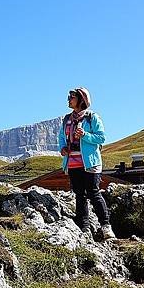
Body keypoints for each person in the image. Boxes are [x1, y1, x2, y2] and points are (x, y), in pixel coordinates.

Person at [58, 87, 116, 240]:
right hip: (72, 163)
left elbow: (101, 138)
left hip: (90, 163)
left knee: (93, 193)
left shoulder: (92, 117)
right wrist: (62, 148)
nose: (68, 99)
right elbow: (61, 137)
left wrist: (85, 135)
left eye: (71, 97)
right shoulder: (66, 119)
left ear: (81, 99)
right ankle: (84, 227)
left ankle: (106, 227)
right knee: (79, 195)